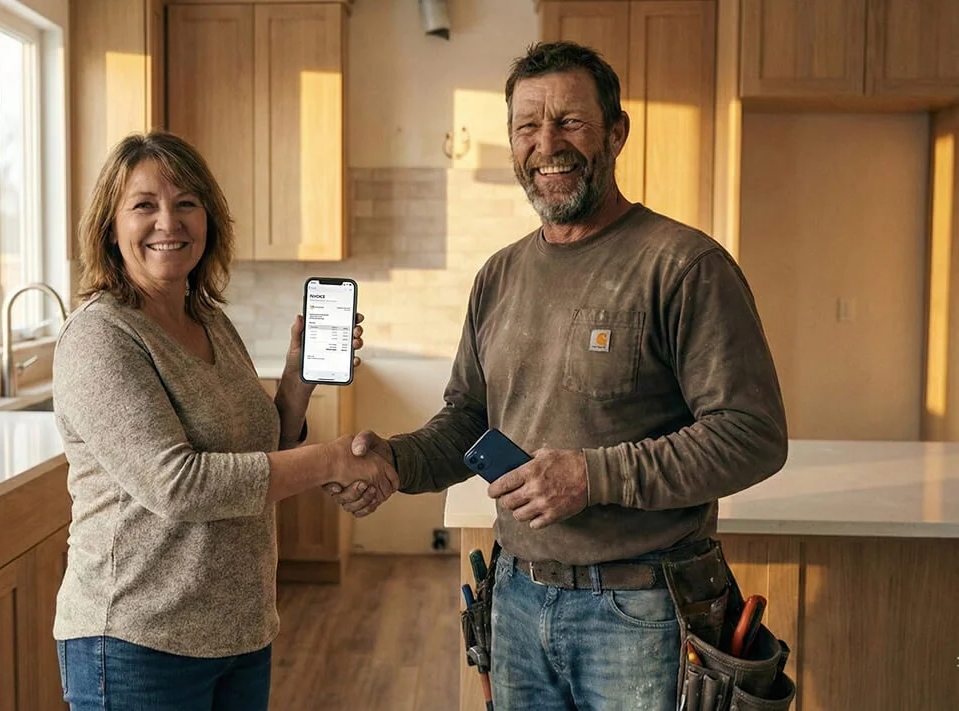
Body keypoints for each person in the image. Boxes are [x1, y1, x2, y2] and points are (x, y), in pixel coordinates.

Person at [330, 41, 788, 709]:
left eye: (570, 121)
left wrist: (591, 475)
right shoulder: (499, 275)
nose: (547, 143)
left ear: (616, 132)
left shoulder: (683, 266)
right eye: (527, 126)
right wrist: (395, 461)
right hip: (515, 598)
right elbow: (466, 419)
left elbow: (752, 434)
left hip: (643, 610)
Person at [51, 129, 396, 711]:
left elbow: (260, 443)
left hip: (239, 632)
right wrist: (331, 460)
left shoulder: (207, 318)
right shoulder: (101, 337)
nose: (169, 222)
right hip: (138, 642)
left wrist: (295, 382)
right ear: (111, 226)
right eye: (145, 205)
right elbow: (179, 485)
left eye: (187, 203)